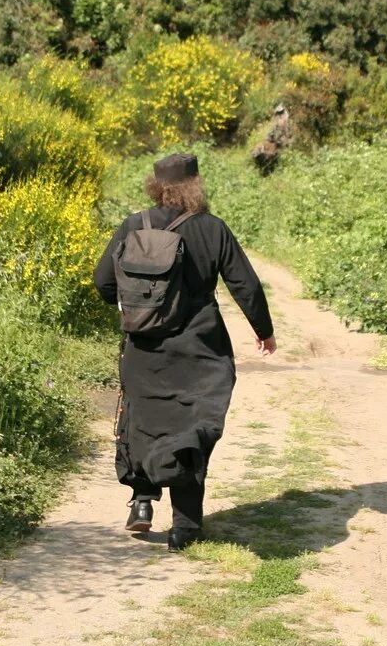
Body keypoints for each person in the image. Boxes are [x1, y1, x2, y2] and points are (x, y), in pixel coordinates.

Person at [94, 152, 275, 550]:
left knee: (140, 420)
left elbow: (104, 283)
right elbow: (245, 284)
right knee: (191, 431)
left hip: (144, 348)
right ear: (196, 185)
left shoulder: (133, 225)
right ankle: (186, 526)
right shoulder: (212, 229)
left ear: (156, 185)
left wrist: (138, 307)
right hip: (200, 350)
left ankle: (141, 504)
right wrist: (264, 331)